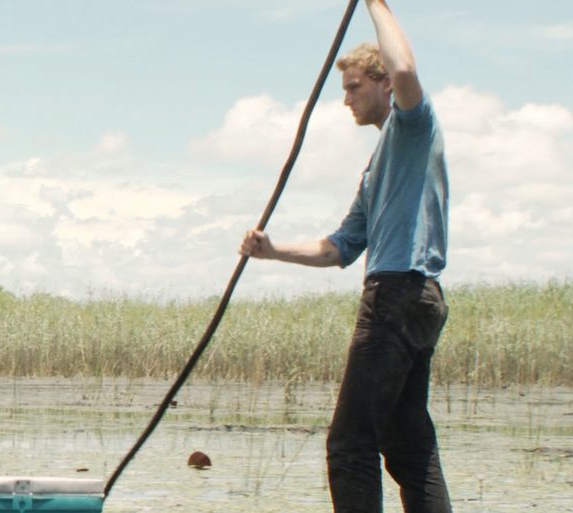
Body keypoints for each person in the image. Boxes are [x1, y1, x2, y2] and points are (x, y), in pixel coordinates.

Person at [238, 1, 451, 512]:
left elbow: (405, 68)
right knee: (407, 445)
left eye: (354, 86)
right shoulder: (378, 165)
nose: (346, 99)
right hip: (418, 298)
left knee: (349, 445)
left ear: (382, 86)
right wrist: (271, 251)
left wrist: (375, 2)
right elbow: (338, 248)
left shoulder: (414, 127)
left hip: (397, 293)